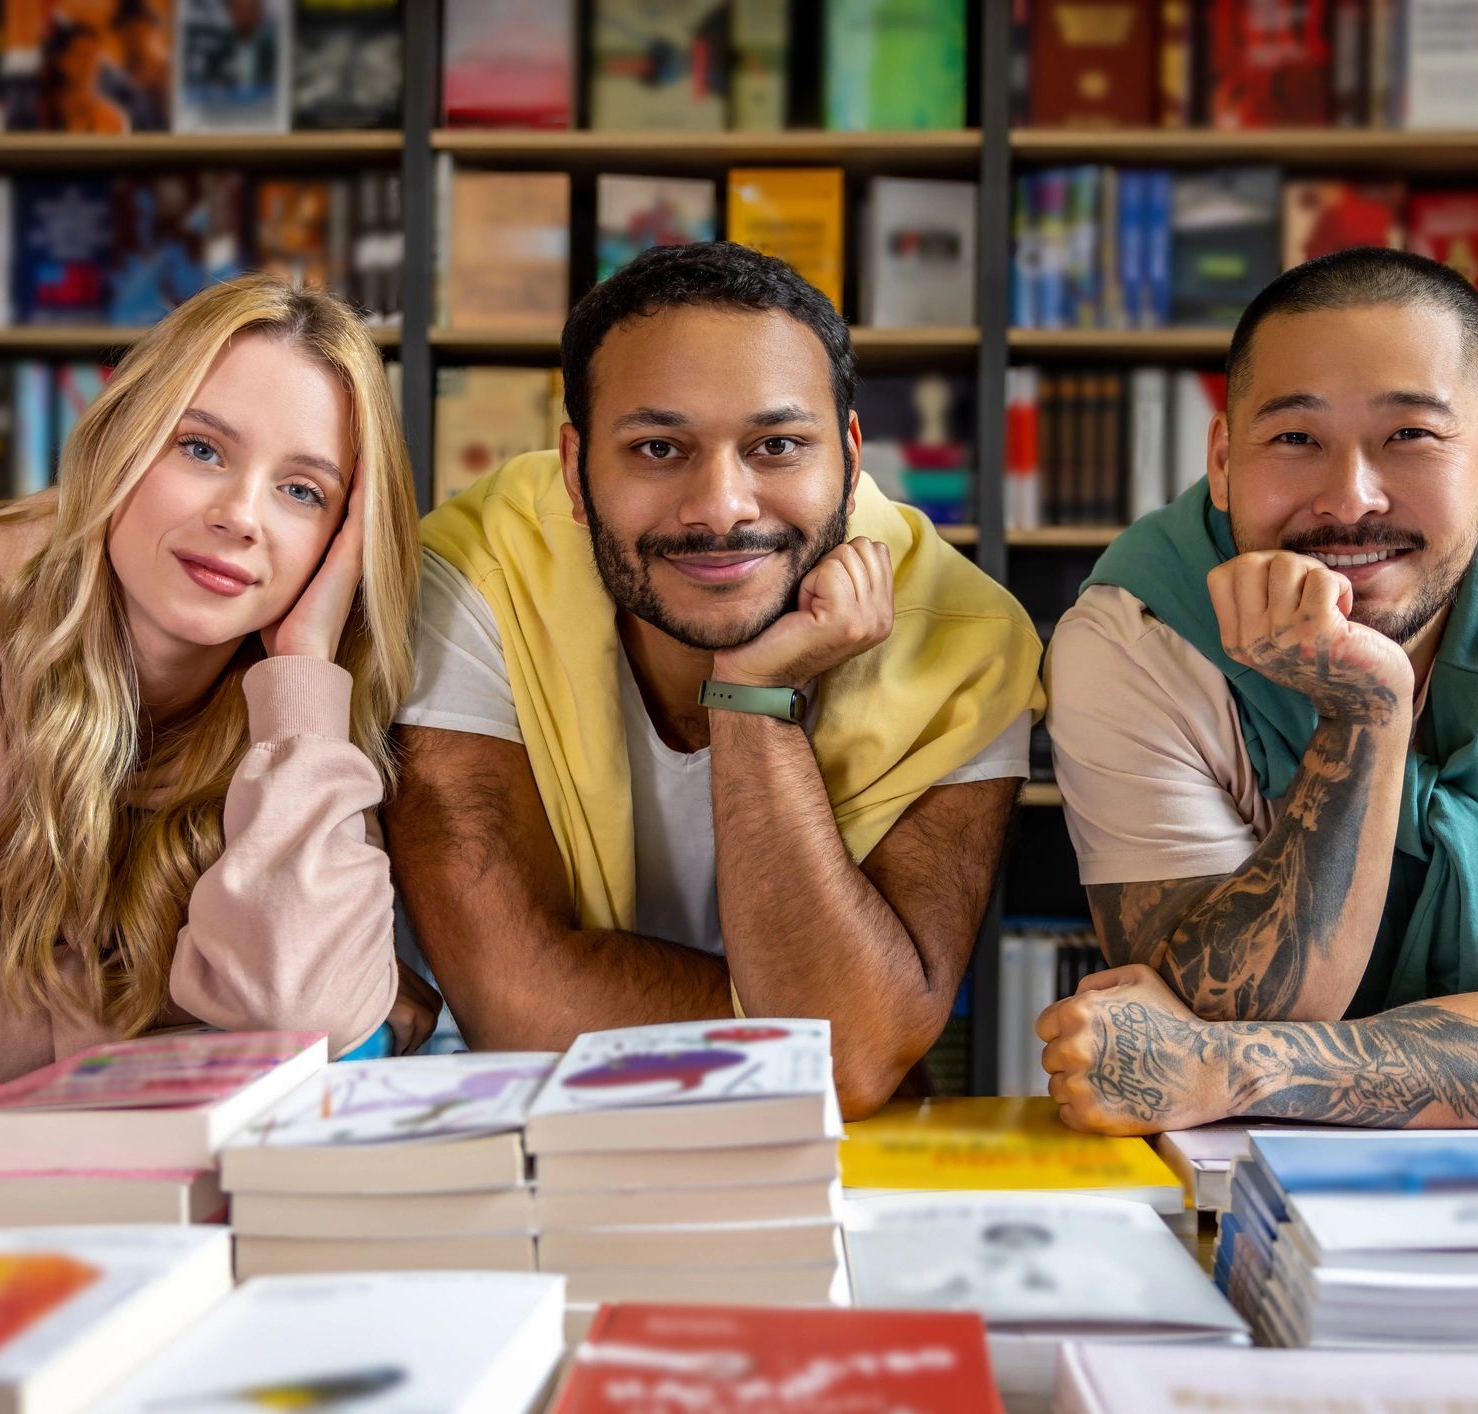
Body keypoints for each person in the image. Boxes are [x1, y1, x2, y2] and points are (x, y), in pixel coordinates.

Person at [1038, 248, 1478, 1137]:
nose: (1350, 500)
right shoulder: (1141, 628)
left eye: (1411, 436)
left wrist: (1234, 1071)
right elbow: (1203, 1002)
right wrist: (1363, 717)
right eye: (1294, 439)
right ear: (1222, 459)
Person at [387, 242, 1044, 1118]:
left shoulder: (969, 643)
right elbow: (513, 1002)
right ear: (578, 471)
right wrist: (817, 1033)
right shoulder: (469, 574)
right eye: (659, 448)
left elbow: (848, 1060)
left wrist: (749, 700)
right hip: (532, 1131)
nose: (722, 508)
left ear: (849, 454)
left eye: (777, 445)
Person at [0, 276, 438, 1082]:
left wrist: (304, 675)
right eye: (200, 448)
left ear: (343, 542)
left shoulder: (304, 684)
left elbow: (297, 1011)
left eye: (301, 492)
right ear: (118, 443)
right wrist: (200, 1002)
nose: (240, 515)